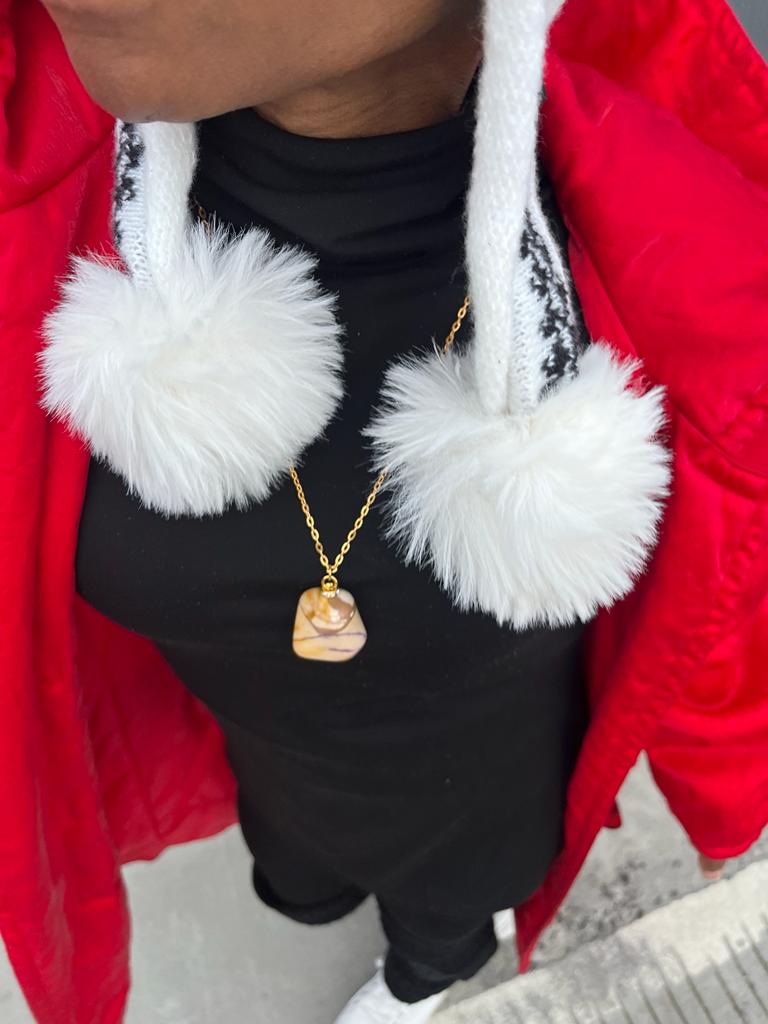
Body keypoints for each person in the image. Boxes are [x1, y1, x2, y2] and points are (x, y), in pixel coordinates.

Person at [1, 0, 766, 1022]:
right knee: (299, 880)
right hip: (271, 774)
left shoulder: (669, 290)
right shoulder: (45, 235)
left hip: (489, 805)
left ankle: (426, 972)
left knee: (444, 914)